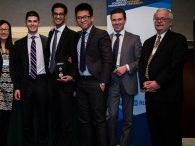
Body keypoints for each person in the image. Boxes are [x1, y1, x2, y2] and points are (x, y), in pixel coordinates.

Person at [138, 8, 187, 146]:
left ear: (170, 22)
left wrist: (158, 83)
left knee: (170, 134)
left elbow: (175, 65)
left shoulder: (178, 40)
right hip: (151, 96)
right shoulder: (148, 42)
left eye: (163, 19)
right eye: (156, 18)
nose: (159, 21)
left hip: (169, 96)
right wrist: (145, 82)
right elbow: (142, 65)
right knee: (155, 133)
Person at [74, 3, 113, 146]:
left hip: (96, 83)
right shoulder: (77, 36)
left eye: (85, 17)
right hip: (80, 83)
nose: (82, 20)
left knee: (99, 120)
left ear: (92, 18)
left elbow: (108, 60)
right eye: (79, 17)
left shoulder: (101, 34)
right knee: (84, 121)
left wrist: (103, 82)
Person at [107, 8, 142, 146]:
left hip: (128, 79)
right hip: (112, 81)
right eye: (114, 20)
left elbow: (140, 60)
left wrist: (126, 67)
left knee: (128, 118)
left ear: (125, 20)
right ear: (111, 21)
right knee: (112, 116)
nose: (117, 22)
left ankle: (124, 144)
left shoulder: (134, 38)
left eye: (119, 19)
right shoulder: (107, 38)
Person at [14, 11, 48, 146]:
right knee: (26, 120)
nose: (32, 24)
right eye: (30, 21)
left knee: (43, 119)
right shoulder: (19, 44)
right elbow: (16, 68)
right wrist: (17, 87)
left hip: (42, 83)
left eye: (35, 21)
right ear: (26, 23)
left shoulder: (47, 41)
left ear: (39, 23)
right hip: (25, 84)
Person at [46, 3, 78, 146]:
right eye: (55, 14)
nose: (58, 16)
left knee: (66, 121)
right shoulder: (51, 33)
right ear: (53, 16)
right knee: (54, 120)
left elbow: (76, 59)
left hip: (65, 84)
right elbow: (49, 55)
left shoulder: (72, 35)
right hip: (51, 82)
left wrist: (72, 76)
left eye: (61, 14)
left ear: (65, 16)